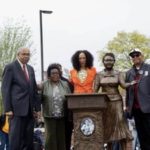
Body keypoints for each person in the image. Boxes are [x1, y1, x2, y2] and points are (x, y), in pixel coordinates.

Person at [1, 47, 41, 150]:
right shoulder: (10, 67)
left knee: (28, 139)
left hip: (29, 111)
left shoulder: (31, 69)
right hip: (15, 110)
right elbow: (5, 89)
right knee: (15, 139)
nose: (26, 56)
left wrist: (37, 109)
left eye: (28, 54)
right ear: (18, 55)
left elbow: (34, 89)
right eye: (24, 54)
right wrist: (8, 109)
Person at [94, 52, 133, 150]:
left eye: (111, 60)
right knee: (108, 127)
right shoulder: (99, 75)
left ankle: (124, 147)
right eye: (106, 60)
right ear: (103, 62)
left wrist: (131, 83)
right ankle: (109, 148)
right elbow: (94, 90)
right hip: (105, 103)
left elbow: (123, 85)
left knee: (120, 124)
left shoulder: (118, 73)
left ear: (114, 61)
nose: (108, 62)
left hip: (117, 102)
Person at [40, 63, 71, 150]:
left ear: (60, 74)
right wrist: (37, 111)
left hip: (62, 115)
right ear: (49, 74)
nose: (55, 75)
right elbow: (39, 98)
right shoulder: (44, 84)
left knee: (61, 137)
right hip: (49, 115)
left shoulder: (65, 84)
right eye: (53, 73)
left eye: (57, 73)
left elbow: (69, 98)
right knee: (50, 137)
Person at [126, 48, 150, 150]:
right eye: (133, 56)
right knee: (141, 136)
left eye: (137, 55)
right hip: (135, 109)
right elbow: (128, 92)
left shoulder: (148, 68)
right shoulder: (129, 73)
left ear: (141, 55)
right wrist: (127, 107)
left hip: (148, 108)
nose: (135, 57)